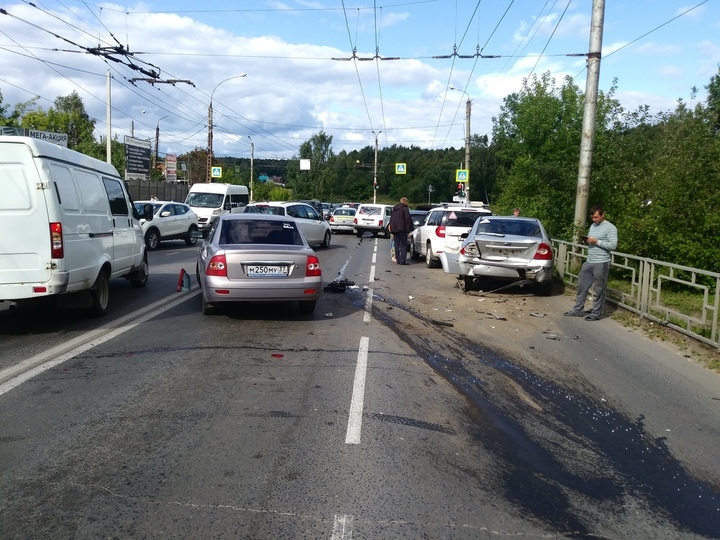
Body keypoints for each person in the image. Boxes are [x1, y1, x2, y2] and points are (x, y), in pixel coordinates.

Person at [564, 205, 618, 321]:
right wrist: (588, 241)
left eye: (596, 217)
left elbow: (613, 245)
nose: (594, 220)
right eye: (593, 217)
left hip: (601, 262)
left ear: (603, 215)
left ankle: (596, 313)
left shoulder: (611, 228)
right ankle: (578, 309)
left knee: (599, 289)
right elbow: (593, 241)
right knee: (582, 286)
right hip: (589, 261)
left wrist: (596, 241)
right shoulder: (593, 226)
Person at [389, 197, 414, 265]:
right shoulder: (405, 209)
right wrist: (408, 229)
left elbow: (391, 219)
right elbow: (407, 219)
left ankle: (398, 260)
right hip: (402, 229)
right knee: (404, 245)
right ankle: (402, 260)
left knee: (396, 245)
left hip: (395, 229)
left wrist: (391, 228)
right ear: (405, 202)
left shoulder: (394, 209)